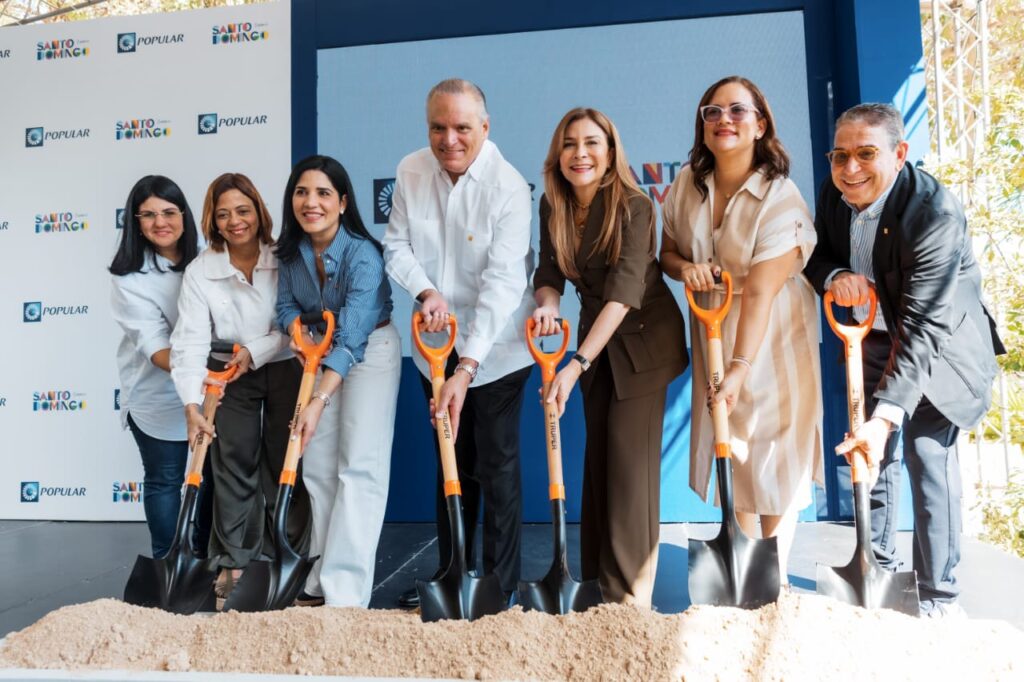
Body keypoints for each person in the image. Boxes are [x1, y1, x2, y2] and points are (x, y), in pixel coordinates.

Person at [805, 103, 1004, 618]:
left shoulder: (934, 214)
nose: (850, 168)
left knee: (926, 457)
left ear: (899, 154)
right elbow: (816, 256)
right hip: (871, 340)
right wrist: (835, 277)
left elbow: (923, 326)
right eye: (840, 155)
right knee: (872, 457)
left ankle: (939, 597)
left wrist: (887, 414)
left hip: (939, 350)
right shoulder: (834, 193)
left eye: (866, 154)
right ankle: (877, 569)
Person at [660, 76, 824, 582]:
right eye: (712, 111)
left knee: (776, 451)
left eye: (737, 110)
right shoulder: (688, 183)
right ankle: (744, 570)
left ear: (760, 125)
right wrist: (687, 268)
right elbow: (667, 252)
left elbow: (760, 290)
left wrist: (740, 367)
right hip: (714, 327)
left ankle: (774, 577)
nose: (723, 120)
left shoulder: (780, 195)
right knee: (732, 445)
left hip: (775, 334)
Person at [383, 77, 535, 607]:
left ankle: (499, 585)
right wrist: (426, 291)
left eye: (462, 128)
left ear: (485, 128)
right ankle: (451, 577)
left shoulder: (508, 188)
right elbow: (396, 245)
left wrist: (466, 367)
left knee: (496, 466)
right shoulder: (410, 170)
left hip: (496, 350)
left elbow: (504, 285)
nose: (449, 140)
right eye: (438, 128)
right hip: (434, 347)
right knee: (451, 462)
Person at [531, 108, 687, 606]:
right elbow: (548, 272)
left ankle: (628, 600)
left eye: (592, 143)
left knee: (628, 473)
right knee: (599, 467)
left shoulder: (634, 205)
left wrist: (575, 363)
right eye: (570, 143)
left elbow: (622, 294)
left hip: (641, 342)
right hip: (596, 345)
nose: (580, 153)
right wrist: (548, 305)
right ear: (558, 155)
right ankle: (598, 587)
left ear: (611, 152)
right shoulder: (553, 204)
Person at [170, 173, 310, 594]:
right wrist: (191, 405)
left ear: (259, 212)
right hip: (228, 370)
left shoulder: (286, 258)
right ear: (212, 221)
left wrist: (257, 349)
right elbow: (190, 342)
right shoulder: (200, 271)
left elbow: (296, 322)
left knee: (286, 462)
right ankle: (234, 562)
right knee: (233, 464)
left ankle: (288, 558)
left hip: (286, 363)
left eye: (243, 211)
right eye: (223, 214)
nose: (235, 222)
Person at [276, 155, 401, 608]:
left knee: (359, 468)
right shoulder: (290, 254)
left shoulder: (363, 254)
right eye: (302, 192)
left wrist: (317, 400)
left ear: (343, 202)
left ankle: (345, 595)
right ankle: (320, 577)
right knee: (318, 467)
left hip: (369, 352)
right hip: (321, 352)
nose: (311, 203)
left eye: (323, 193)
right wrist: (298, 332)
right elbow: (285, 306)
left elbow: (352, 338)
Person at [110, 175, 210, 560]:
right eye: (148, 215)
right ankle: (168, 565)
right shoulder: (128, 277)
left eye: (169, 212)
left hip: (213, 390)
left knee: (213, 479)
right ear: (135, 222)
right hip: (156, 392)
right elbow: (156, 348)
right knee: (165, 480)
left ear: (184, 214)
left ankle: (205, 559)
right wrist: (197, 376)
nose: (160, 222)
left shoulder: (208, 257)